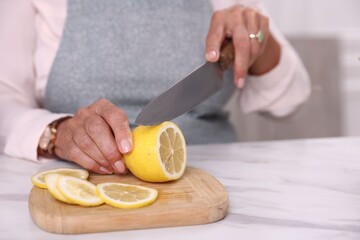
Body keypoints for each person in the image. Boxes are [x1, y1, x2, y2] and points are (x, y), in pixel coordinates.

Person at [0, 0, 310, 175]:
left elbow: (290, 102)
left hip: (215, 186)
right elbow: (5, 101)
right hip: (78, 185)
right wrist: (56, 132)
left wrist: (259, 41)